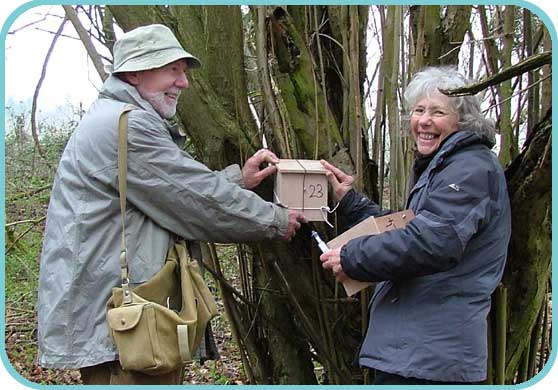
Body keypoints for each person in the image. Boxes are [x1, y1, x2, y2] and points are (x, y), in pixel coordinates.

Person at [37, 24, 306, 385]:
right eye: (173, 70)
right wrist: (275, 218)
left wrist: (239, 180)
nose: (184, 83)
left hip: (118, 317)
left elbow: (169, 189)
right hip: (124, 326)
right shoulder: (128, 126)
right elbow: (192, 201)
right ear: (134, 72)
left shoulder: (115, 118)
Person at [319, 66, 511, 385]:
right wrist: (351, 202)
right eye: (419, 110)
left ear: (463, 120)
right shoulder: (444, 167)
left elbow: (432, 241)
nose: (424, 120)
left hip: (431, 359)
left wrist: (352, 257)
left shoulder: (470, 169)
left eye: (437, 112)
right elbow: (411, 228)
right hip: (418, 353)